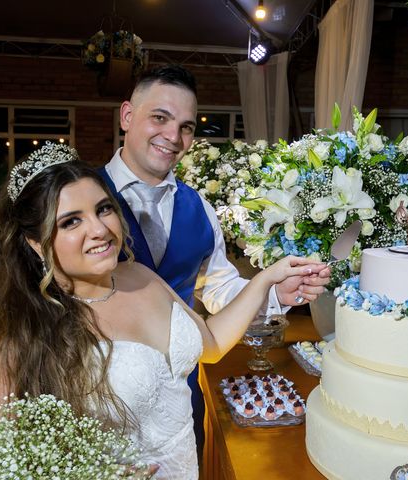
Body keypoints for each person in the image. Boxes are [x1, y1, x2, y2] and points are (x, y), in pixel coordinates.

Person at [0, 143, 326, 479]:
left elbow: (213, 343)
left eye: (103, 208)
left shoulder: (139, 275)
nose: (99, 229)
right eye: (71, 221)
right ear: (35, 243)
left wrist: (264, 281)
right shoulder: (20, 346)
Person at [99, 63, 331, 450]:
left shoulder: (200, 207)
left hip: (180, 396)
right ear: (127, 115)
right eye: (160, 117)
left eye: (186, 127)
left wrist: (276, 293)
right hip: (103, 394)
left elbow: (219, 288)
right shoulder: (83, 196)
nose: (173, 137)